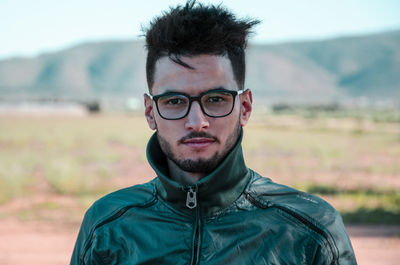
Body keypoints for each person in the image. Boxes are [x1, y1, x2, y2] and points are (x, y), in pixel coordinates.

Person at [70, 1, 357, 264]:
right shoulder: (107, 227)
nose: (197, 122)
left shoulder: (310, 230)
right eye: (174, 101)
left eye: (215, 99)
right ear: (150, 112)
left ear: (244, 107)